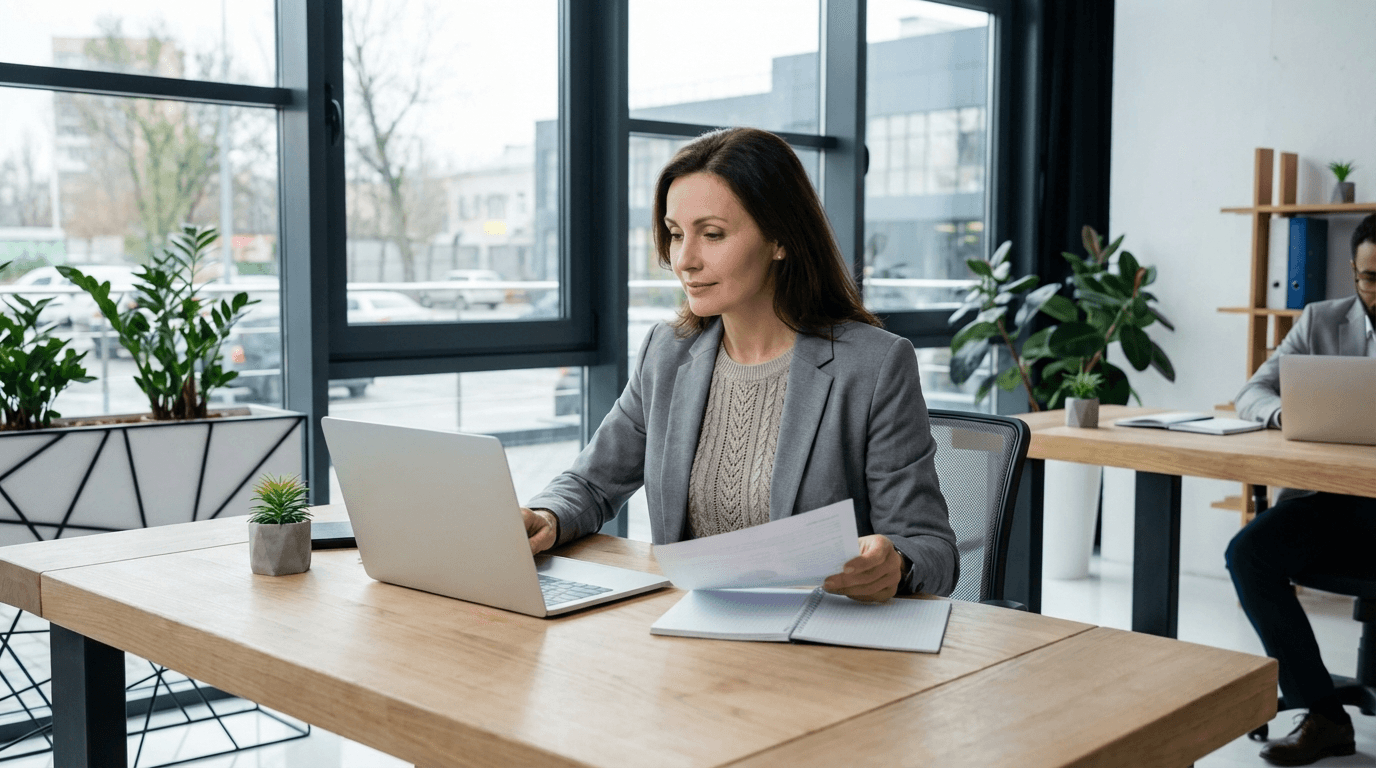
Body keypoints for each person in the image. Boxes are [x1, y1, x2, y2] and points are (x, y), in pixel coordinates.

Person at [520, 127, 958, 602]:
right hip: (692, 633)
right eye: (674, 234)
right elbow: (591, 482)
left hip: (819, 644)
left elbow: (932, 549)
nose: (683, 260)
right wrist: (546, 517)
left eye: (712, 234)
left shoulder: (874, 366)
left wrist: (896, 564)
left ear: (780, 240)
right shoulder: (665, 353)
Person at [1227, 213, 1376, 765]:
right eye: (1370, 277)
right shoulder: (1320, 320)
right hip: (1333, 503)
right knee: (1249, 553)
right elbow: (1253, 391)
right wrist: (1290, 411)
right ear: (1353, 273)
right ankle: (1323, 713)